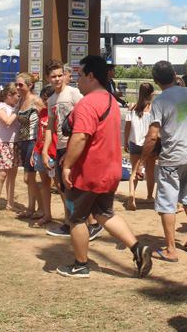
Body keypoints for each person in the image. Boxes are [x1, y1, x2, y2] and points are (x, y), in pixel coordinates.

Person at [58, 55, 153, 279]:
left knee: (76, 218)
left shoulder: (88, 103)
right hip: (109, 170)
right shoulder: (110, 100)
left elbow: (80, 137)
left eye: (80, 75)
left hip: (87, 172)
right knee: (104, 214)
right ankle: (138, 248)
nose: (77, 80)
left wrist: (67, 165)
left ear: (91, 76)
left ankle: (80, 265)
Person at [142, 60, 187, 263]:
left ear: (155, 81)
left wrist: (142, 161)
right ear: (173, 76)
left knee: (167, 202)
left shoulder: (159, 102)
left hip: (172, 156)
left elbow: (152, 136)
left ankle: (171, 249)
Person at [41, 60, 102, 240]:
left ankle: (92, 223)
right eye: (53, 76)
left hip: (74, 146)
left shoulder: (73, 93)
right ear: (47, 78)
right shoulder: (52, 99)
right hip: (60, 146)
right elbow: (50, 126)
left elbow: (87, 116)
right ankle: (70, 222)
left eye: (60, 75)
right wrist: (45, 150)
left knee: (77, 186)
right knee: (64, 187)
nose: (57, 79)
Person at [16, 73, 46, 220]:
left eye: (20, 85)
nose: (17, 87)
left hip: (33, 142)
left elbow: (45, 121)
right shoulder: (21, 101)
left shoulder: (36, 101)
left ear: (30, 85)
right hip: (24, 142)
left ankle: (41, 208)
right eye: (16, 84)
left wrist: (39, 146)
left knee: (29, 178)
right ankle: (30, 208)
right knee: (30, 179)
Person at [124, 83, 156, 211]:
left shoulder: (132, 107)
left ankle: (132, 192)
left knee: (134, 170)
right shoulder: (152, 108)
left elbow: (127, 127)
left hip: (134, 141)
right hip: (148, 144)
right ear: (151, 94)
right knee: (150, 171)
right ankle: (149, 196)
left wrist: (125, 141)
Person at [0, 83, 20, 215]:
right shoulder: (0, 107)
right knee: (2, 174)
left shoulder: (15, 107)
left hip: (15, 144)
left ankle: (10, 203)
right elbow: (7, 121)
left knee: (12, 175)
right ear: (9, 95)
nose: (19, 98)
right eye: (17, 96)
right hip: (3, 143)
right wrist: (16, 111)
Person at [32, 84, 57, 227]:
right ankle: (47, 214)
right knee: (45, 184)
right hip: (40, 152)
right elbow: (40, 134)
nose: (44, 102)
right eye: (43, 99)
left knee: (59, 186)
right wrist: (35, 151)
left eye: (47, 98)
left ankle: (69, 218)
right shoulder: (42, 113)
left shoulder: (57, 114)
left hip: (53, 153)